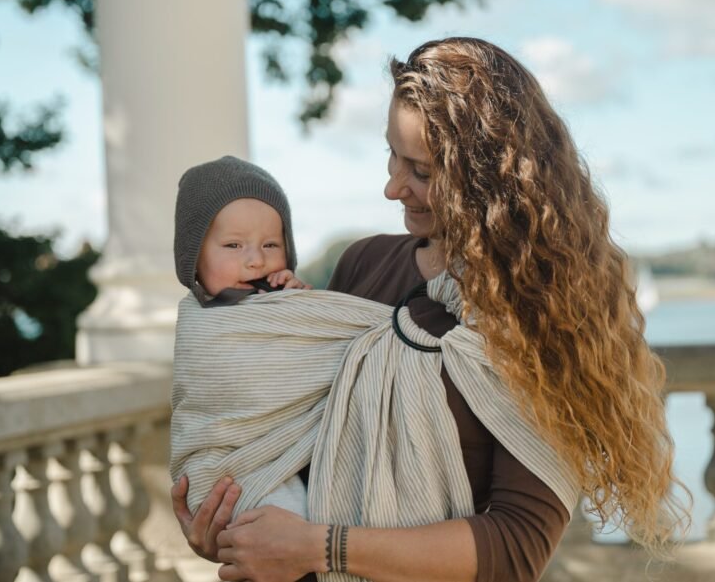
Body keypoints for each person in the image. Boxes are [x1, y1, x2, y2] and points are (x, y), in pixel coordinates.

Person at [171, 37, 687, 582]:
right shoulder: (363, 266)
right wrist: (227, 526)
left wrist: (319, 549)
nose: (393, 187)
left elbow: (517, 548)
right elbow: (295, 458)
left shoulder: (533, 319)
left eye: (421, 171)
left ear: (486, 179)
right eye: (392, 154)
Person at [170, 156, 312, 519]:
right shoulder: (198, 320)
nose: (255, 261)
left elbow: (317, 357)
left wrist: (298, 304)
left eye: (270, 246)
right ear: (194, 257)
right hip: (226, 466)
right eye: (233, 246)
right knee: (283, 517)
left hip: (287, 458)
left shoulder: (283, 302)